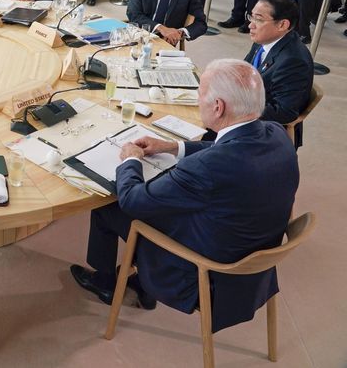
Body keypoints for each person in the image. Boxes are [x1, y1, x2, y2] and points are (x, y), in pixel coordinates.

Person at [70, 58, 299, 333]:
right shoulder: (277, 134)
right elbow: (226, 148)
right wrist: (172, 146)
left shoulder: (207, 168)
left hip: (203, 271)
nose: (198, 100)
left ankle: (106, 282)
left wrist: (129, 160)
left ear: (218, 106)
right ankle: (140, 284)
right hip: (253, 254)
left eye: (200, 94)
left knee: (109, 206)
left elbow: (132, 200)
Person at [244, 0, 314, 147]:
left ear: (283, 25)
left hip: (266, 130)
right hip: (248, 110)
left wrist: (236, 106)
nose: (251, 24)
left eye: (259, 19)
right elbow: (244, 71)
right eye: (251, 16)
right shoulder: (263, 40)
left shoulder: (294, 61)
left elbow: (284, 112)